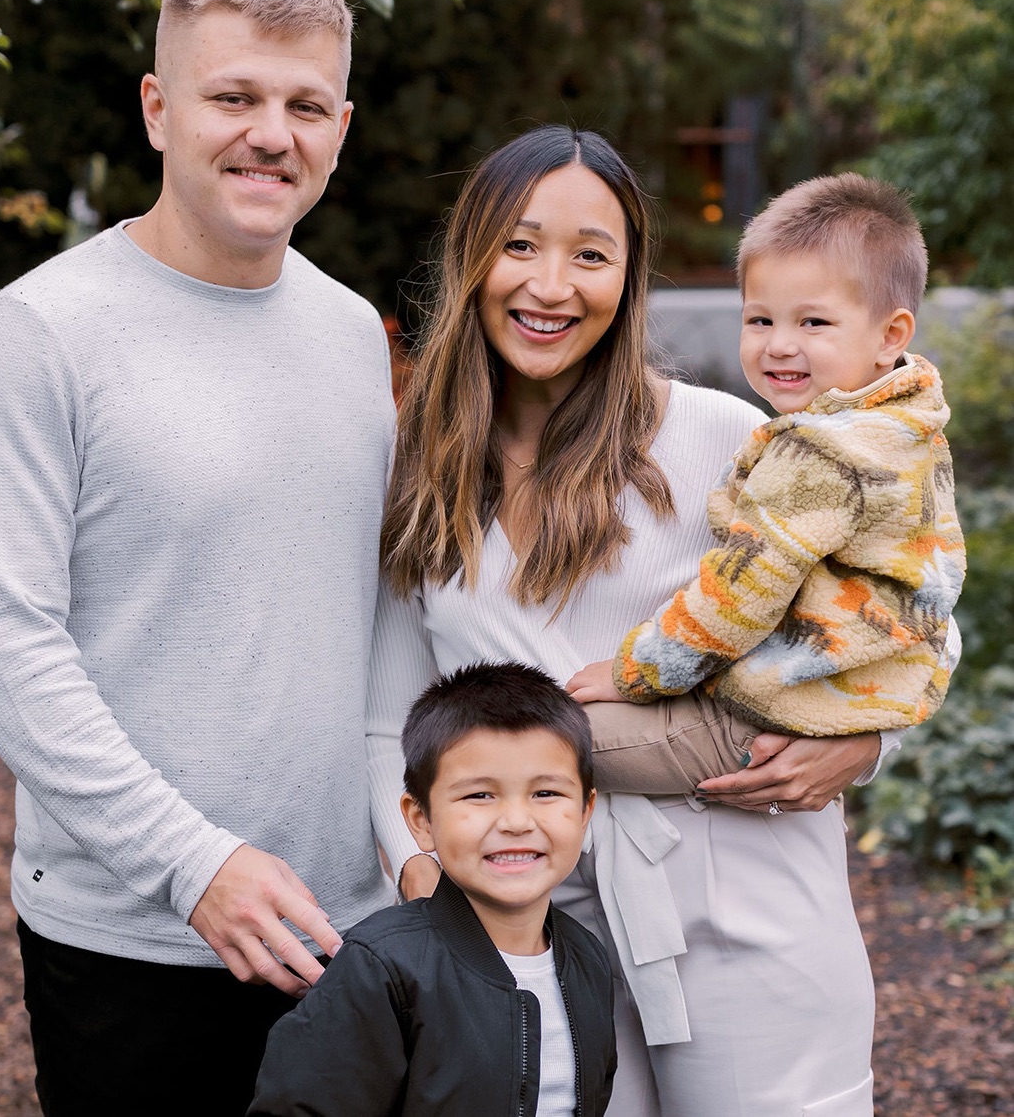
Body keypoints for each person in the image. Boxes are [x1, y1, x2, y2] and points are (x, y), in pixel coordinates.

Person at [0, 0, 396, 1115]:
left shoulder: (350, 333)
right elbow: (4, 649)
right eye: (232, 96)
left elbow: (383, 611)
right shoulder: (39, 334)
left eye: (303, 107)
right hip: (133, 939)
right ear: (157, 108)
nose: (269, 135)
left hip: (348, 922)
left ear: (340, 129)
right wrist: (193, 864)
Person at [365, 125, 892, 1115]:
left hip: (745, 902)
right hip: (530, 923)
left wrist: (865, 742)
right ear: (471, 256)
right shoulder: (424, 469)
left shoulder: (723, 438)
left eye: (590, 254)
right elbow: (386, 717)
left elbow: (887, 611)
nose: (550, 285)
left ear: (628, 277)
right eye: (520, 245)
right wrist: (423, 875)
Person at [566, 172, 966, 795]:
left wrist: (638, 671)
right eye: (759, 319)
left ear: (890, 336)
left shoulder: (820, 452)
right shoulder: (907, 430)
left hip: (769, 713)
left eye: (813, 323)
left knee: (537, 746)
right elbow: (932, 584)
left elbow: (742, 592)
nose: (779, 345)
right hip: (846, 698)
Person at [250, 661, 617, 1117]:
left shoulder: (588, 959)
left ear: (584, 811)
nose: (517, 822)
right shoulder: (382, 967)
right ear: (421, 820)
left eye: (546, 793)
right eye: (479, 795)